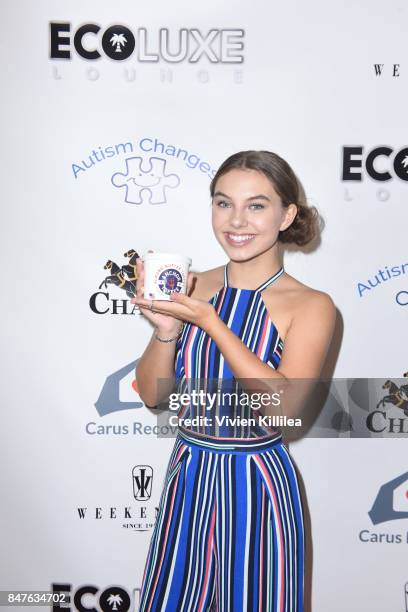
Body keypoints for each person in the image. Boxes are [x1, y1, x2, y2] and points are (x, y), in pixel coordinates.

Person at [132, 150, 336, 611]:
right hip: (189, 476)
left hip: (257, 482)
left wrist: (212, 322)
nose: (236, 220)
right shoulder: (189, 284)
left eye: (257, 205)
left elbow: (284, 412)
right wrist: (166, 333)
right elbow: (150, 395)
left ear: (287, 215)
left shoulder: (312, 305)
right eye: (223, 203)